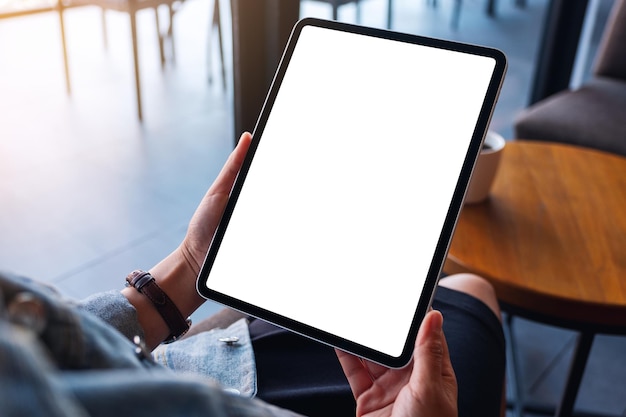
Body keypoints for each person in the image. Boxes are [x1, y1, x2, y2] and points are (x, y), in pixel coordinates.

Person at [0, 132, 505, 417]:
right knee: (470, 291)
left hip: (174, 368)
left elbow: (49, 342)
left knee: (451, 295)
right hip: (212, 392)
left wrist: (188, 269)